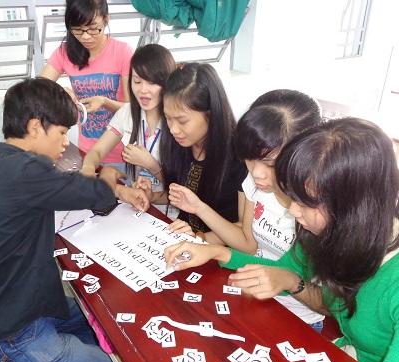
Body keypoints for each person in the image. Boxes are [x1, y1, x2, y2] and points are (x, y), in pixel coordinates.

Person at [165, 117, 399, 362]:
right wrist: (217, 252)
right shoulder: (329, 232)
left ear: (353, 206)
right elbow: (286, 271)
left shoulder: (393, 278)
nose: (293, 212)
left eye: (306, 203)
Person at [0, 77, 149, 362]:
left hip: (18, 307)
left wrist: (112, 189)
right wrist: (110, 176)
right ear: (35, 127)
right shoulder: (26, 171)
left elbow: (64, 189)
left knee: (105, 327)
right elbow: (93, 192)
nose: (66, 143)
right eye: (63, 133)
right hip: (18, 338)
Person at [167, 89, 325, 331]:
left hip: (297, 317)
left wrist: (216, 251)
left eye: (270, 163)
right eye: (250, 159)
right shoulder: (255, 182)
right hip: (251, 294)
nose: (257, 173)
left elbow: (320, 297)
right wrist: (200, 218)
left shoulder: (317, 210)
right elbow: (249, 243)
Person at [136, 62, 247, 235]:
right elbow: (187, 196)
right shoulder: (181, 145)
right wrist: (153, 197)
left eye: (182, 121)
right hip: (185, 239)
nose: (173, 129)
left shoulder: (240, 157)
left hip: (216, 248)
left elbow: (245, 232)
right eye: (168, 118)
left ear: (211, 113)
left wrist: (199, 238)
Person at [40, 0, 134, 172]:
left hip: (122, 153)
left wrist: (105, 102)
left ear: (106, 19)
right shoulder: (64, 52)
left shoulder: (122, 52)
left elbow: (132, 109)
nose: (85, 37)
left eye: (93, 28)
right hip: (87, 152)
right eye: (77, 29)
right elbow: (37, 89)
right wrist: (62, 92)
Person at [80, 44, 176, 206]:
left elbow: (184, 187)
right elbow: (97, 151)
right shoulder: (127, 112)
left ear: (167, 82)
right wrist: (88, 168)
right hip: (139, 203)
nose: (143, 90)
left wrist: (151, 165)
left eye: (152, 83)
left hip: (171, 211)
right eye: (137, 81)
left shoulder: (176, 120)